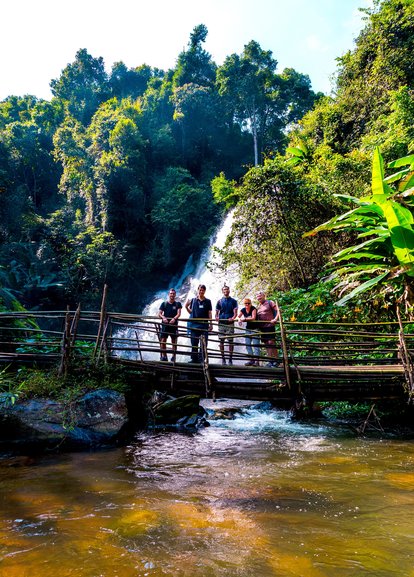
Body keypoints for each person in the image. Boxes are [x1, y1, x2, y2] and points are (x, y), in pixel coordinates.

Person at [185, 284, 213, 363]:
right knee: (194, 342)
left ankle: (201, 360)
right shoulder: (193, 300)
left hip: (204, 325)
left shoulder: (208, 301)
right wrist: (186, 307)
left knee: (204, 343)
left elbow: (209, 313)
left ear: (205, 291)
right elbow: (191, 312)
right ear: (198, 290)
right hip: (194, 325)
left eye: (203, 290)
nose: (201, 291)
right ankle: (194, 359)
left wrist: (211, 324)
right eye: (200, 290)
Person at [256, 290, 280, 367]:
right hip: (262, 327)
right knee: (266, 344)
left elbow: (278, 311)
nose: (259, 298)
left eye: (260, 296)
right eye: (257, 297)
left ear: (264, 296)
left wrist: (276, 319)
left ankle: (276, 360)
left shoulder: (270, 302)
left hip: (270, 326)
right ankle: (270, 361)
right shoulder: (258, 306)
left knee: (271, 342)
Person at [216, 285, 238, 365]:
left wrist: (233, 318)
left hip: (230, 323)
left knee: (230, 341)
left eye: (227, 289)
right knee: (221, 341)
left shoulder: (233, 301)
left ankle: (230, 359)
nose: (226, 291)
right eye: (224, 289)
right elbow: (216, 313)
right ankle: (223, 359)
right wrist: (216, 317)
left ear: (229, 291)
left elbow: (235, 313)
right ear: (222, 291)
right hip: (221, 323)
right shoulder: (219, 301)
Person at [158, 288, 182, 362]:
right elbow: (159, 313)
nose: (172, 295)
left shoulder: (178, 304)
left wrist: (174, 319)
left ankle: (173, 357)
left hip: (173, 325)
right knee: (163, 340)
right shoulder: (164, 304)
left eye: (173, 293)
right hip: (165, 325)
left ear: (175, 295)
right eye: (171, 293)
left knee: (174, 341)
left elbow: (179, 313)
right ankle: (164, 356)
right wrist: (163, 317)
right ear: (169, 294)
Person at [238, 297, 260, 366]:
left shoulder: (253, 309)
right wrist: (239, 319)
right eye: (246, 303)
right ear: (244, 304)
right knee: (248, 344)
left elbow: (253, 318)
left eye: (248, 303)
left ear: (251, 303)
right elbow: (238, 316)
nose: (247, 304)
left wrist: (244, 319)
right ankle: (251, 360)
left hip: (255, 328)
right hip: (248, 329)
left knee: (256, 345)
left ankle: (257, 361)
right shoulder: (243, 310)